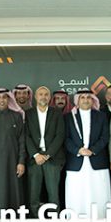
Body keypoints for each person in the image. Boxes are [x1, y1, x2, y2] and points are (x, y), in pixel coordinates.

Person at [65, 89, 111, 217]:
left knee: (99, 192)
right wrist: (78, 150)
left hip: (97, 160)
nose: (86, 100)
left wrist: (93, 150)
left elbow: (105, 137)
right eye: (82, 97)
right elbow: (66, 139)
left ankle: (100, 219)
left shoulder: (101, 116)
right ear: (77, 100)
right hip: (76, 162)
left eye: (88, 97)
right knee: (76, 193)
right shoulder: (69, 117)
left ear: (93, 100)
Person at [25, 86, 66, 214]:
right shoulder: (28, 114)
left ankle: (55, 217)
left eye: (46, 94)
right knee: (33, 192)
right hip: (34, 159)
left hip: (52, 158)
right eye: (40, 94)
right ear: (35, 97)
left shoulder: (57, 113)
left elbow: (60, 135)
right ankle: (34, 218)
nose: (43, 97)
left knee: (53, 192)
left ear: (49, 98)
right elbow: (26, 136)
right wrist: (36, 154)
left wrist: (47, 155)